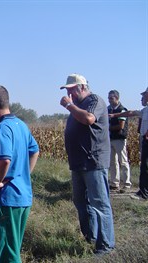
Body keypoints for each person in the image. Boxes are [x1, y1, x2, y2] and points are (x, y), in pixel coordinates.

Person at [60, 73, 115, 254]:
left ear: (82, 87)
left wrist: (69, 105)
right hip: (78, 163)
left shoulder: (94, 101)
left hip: (93, 161)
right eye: (67, 91)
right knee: (80, 201)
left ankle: (106, 245)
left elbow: (88, 119)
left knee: (100, 204)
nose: (69, 94)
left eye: (72, 90)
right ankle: (91, 236)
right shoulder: (77, 105)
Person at [0, 85, 39, 263]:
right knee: (12, 248)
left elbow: (4, 160)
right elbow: (34, 151)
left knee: (6, 252)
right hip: (23, 196)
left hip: (8, 198)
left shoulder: (2, 128)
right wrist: (24, 175)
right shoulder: (20, 125)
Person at [109, 87, 148, 200]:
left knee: (141, 166)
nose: (143, 97)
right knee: (144, 167)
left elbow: (121, 125)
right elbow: (132, 112)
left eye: (144, 94)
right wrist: (115, 115)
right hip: (144, 140)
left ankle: (141, 192)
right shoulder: (145, 110)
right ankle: (142, 191)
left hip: (139, 139)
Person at [107, 90, 131, 192]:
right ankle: (114, 183)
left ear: (117, 98)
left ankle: (126, 184)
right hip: (111, 138)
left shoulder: (122, 110)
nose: (109, 100)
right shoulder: (108, 109)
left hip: (119, 138)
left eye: (111, 98)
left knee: (123, 161)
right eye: (108, 98)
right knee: (113, 162)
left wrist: (107, 128)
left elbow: (120, 126)